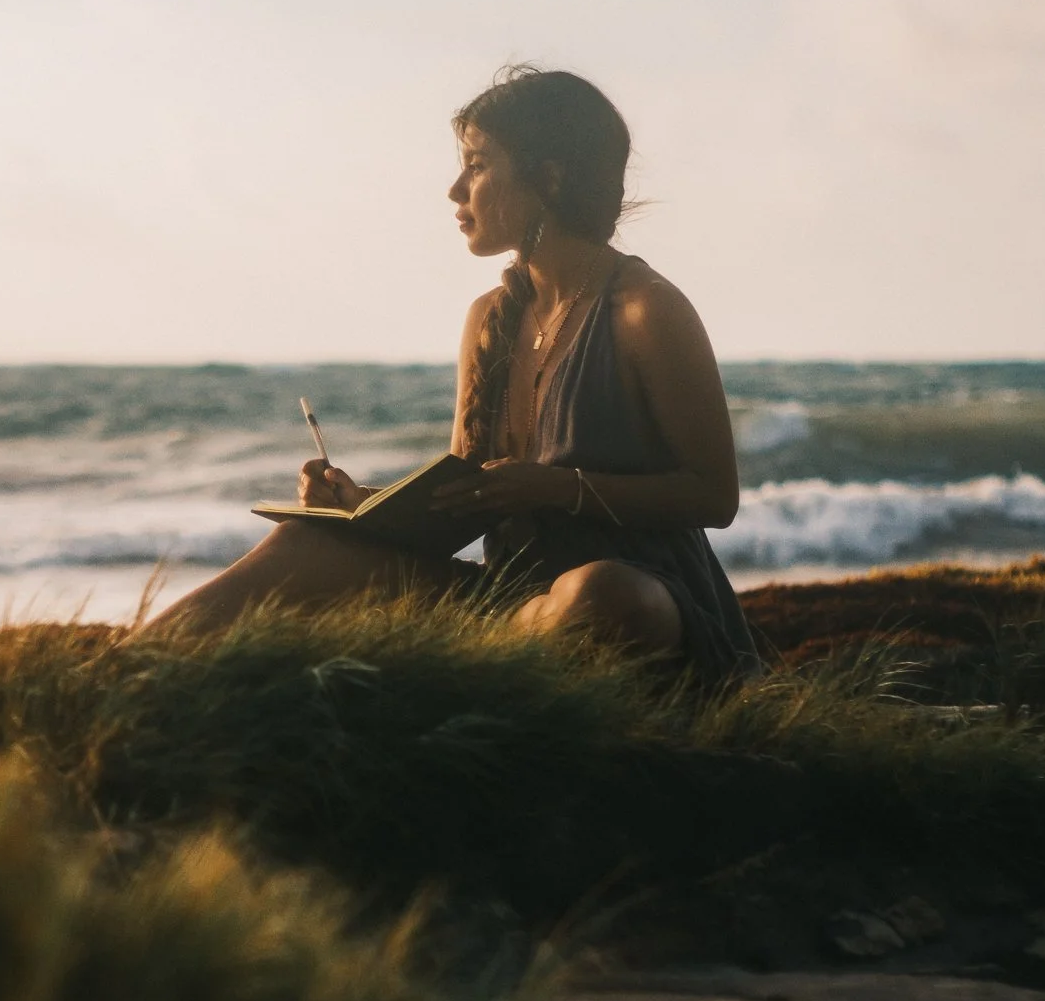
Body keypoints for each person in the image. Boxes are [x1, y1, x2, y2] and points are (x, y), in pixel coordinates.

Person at [150, 66, 762, 685]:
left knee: (598, 593)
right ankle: (119, 677)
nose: (454, 190)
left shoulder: (644, 308)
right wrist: (363, 509)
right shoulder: (490, 319)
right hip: (513, 604)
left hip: (643, 604)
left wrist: (553, 488)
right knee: (304, 549)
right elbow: (461, 504)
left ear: (547, 177)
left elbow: (713, 496)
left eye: (476, 164)